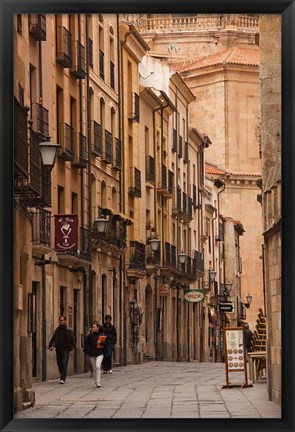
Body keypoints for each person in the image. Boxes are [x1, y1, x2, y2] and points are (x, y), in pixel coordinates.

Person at [49, 315, 76, 384]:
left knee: (64, 364)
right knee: (59, 364)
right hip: (58, 349)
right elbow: (54, 339)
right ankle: (63, 374)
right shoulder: (57, 330)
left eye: (62, 320)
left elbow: (73, 340)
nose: (61, 322)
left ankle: (63, 378)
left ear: (65, 321)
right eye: (60, 320)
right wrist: (52, 346)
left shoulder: (69, 330)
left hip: (66, 350)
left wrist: (71, 349)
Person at [83, 321, 106, 388]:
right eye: (92, 327)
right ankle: (95, 381)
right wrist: (88, 351)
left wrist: (101, 342)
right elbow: (86, 344)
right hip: (92, 353)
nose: (93, 328)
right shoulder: (90, 336)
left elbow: (105, 345)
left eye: (94, 327)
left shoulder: (101, 335)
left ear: (98, 328)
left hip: (100, 353)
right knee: (94, 368)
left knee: (98, 366)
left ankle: (98, 382)